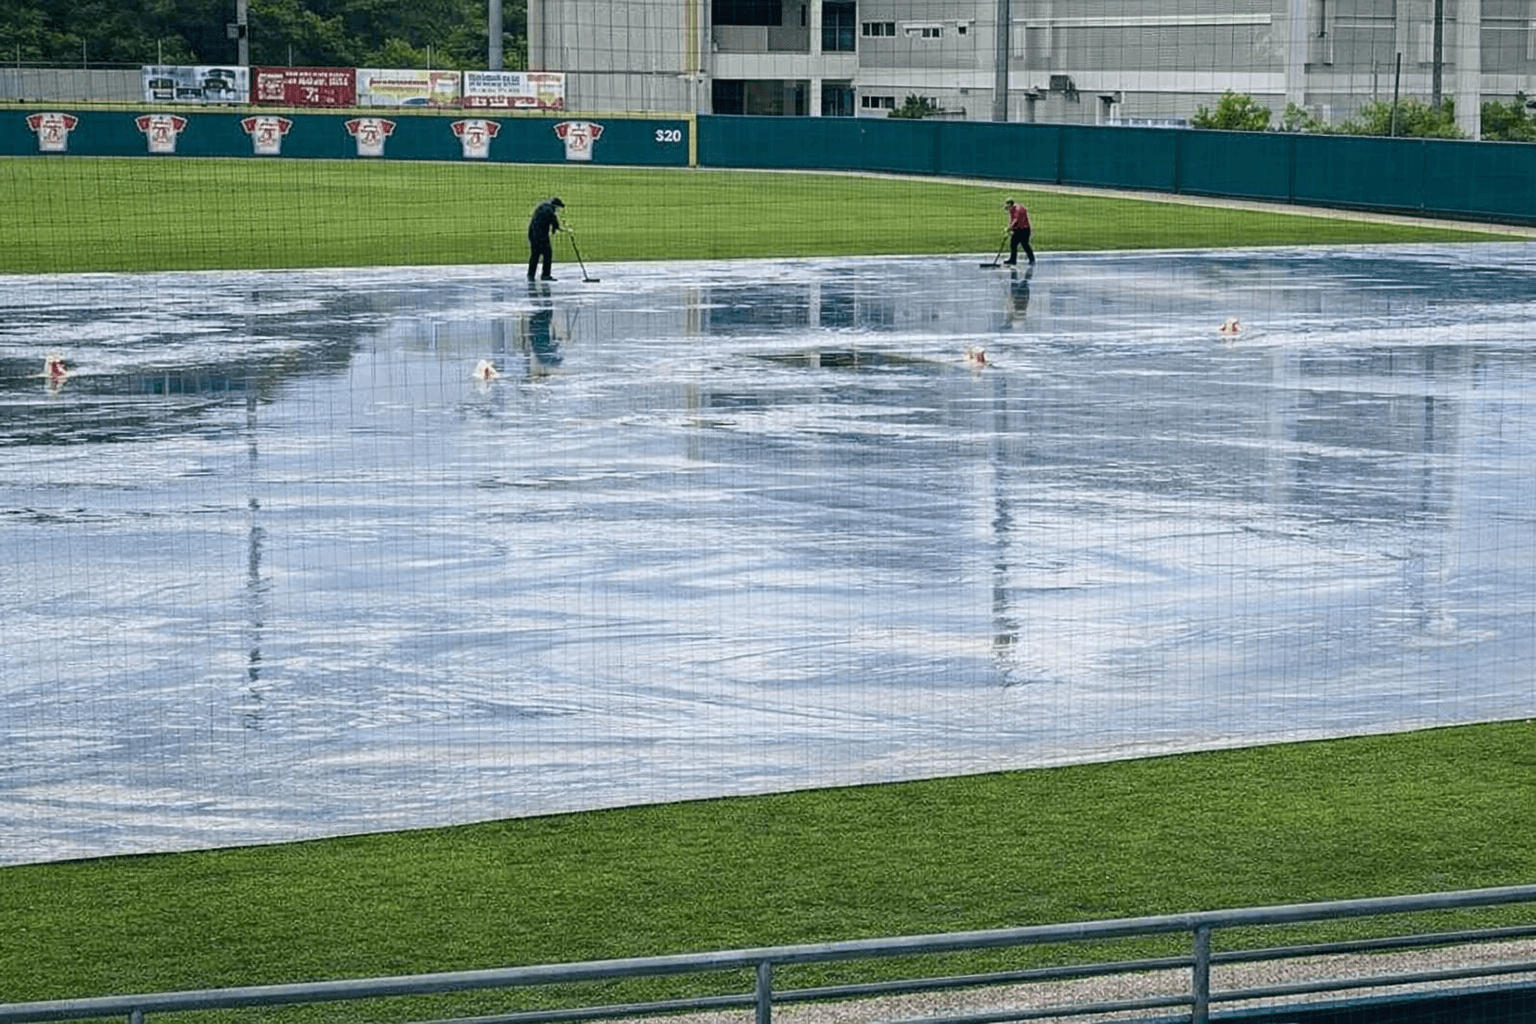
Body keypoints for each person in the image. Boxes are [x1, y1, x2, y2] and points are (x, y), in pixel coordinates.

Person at [527, 196, 565, 281]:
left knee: (535, 254)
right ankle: (545, 275)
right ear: (555, 205)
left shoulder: (544, 206)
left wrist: (554, 228)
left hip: (533, 233)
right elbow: (553, 219)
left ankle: (531, 274)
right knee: (547, 253)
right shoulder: (549, 210)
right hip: (540, 235)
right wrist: (557, 228)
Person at [1003, 198, 1035, 266]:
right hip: (1022, 229)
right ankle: (1030, 259)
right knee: (1018, 244)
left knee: (1020, 244)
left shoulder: (1015, 208)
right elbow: (1016, 221)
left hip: (1022, 229)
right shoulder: (1017, 207)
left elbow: (1016, 219)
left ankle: (1014, 260)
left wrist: (1009, 228)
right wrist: (1011, 230)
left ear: (1009, 205)